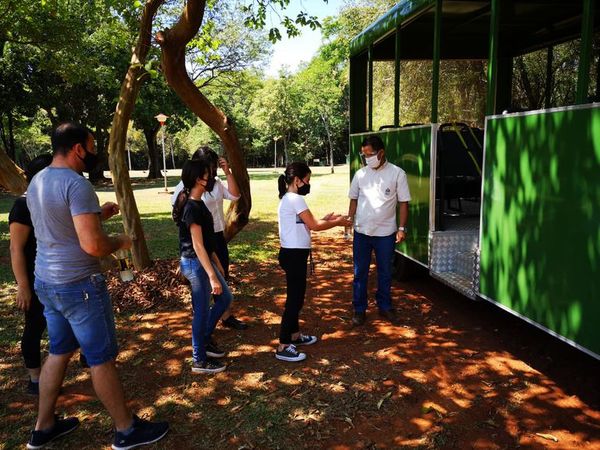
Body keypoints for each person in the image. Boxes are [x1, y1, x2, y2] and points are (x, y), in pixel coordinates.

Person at [25, 123, 169, 449]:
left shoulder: (38, 181)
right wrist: (122, 240)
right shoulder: (76, 184)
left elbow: (59, 225)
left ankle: (44, 426)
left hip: (47, 284)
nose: (94, 152)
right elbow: (92, 246)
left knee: (59, 351)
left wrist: (97, 214)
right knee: (100, 358)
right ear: (78, 148)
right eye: (91, 146)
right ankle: (126, 430)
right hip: (80, 287)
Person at [276, 162, 351, 362]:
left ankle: (295, 335)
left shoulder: (288, 198)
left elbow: (305, 223)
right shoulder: (295, 199)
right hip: (293, 256)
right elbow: (315, 226)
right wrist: (338, 222)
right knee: (294, 300)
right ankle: (283, 344)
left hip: (292, 254)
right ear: (297, 180)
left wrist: (326, 219)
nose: (308, 184)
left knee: (297, 297)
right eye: (307, 180)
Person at [172, 147, 247, 330]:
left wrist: (227, 171)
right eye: (209, 167)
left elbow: (235, 195)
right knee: (202, 285)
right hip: (199, 240)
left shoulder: (216, 183)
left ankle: (225, 315)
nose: (212, 171)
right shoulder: (183, 188)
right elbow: (180, 216)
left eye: (213, 167)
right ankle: (202, 322)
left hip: (217, 237)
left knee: (222, 275)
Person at [174, 158, 234, 374]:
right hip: (195, 264)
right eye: (208, 174)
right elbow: (197, 245)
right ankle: (199, 359)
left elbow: (206, 243)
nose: (211, 177)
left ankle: (205, 339)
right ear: (199, 179)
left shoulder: (199, 203)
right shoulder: (191, 207)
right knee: (200, 312)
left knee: (226, 298)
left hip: (204, 261)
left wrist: (216, 263)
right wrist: (212, 275)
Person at [347, 135, 411, 326]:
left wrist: (401, 228)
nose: (367, 158)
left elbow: (403, 203)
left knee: (385, 271)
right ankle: (359, 310)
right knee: (360, 272)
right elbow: (353, 199)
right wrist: (349, 221)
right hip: (362, 232)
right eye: (364, 155)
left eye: (370, 154)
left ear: (381, 153)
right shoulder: (360, 174)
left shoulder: (397, 173)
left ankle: (384, 306)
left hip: (386, 234)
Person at [9, 154, 53, 395]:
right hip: (33, 277)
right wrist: (23, 286)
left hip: (51, 272)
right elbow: (15, 248)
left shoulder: (44, 200)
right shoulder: (22, 205)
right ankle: (35, 380)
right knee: (35, 325)